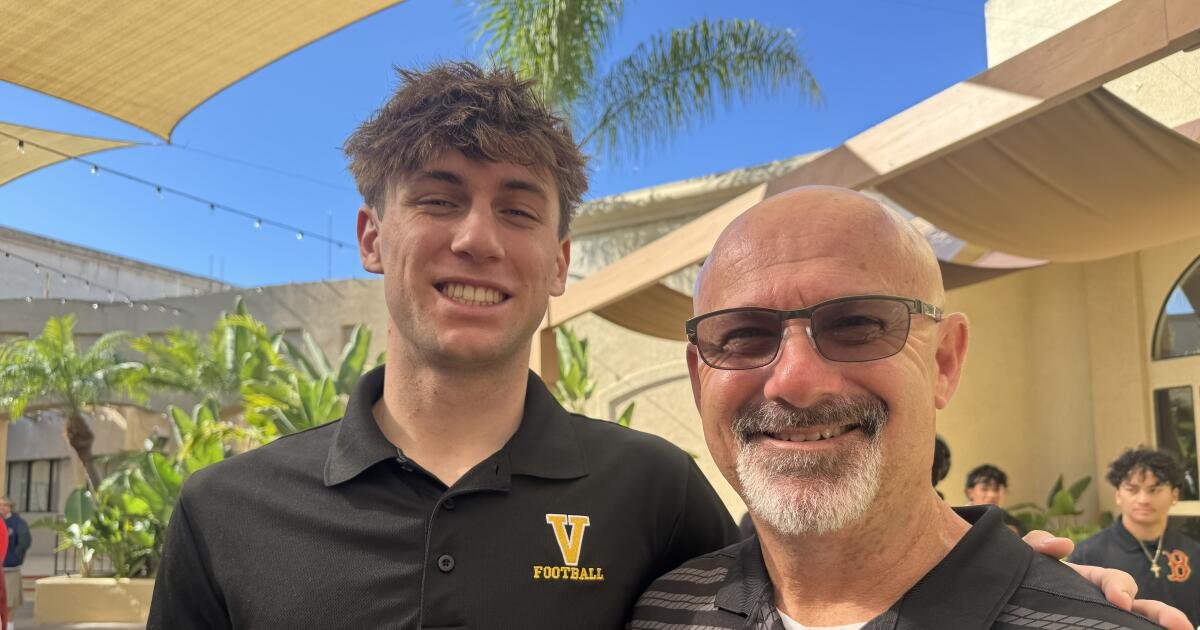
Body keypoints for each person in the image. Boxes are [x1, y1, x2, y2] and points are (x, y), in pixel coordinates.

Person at [147, 61, 740, 629]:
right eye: (438, 200)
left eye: (518, 211)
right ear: (372, 238)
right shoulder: (224, 511)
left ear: (559, 264)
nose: (478, 239)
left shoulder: (657, 492)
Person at [629, 186, 1190, 629]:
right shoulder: (663, 611)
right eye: (743, 335)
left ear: (944, 361)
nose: (797, 381)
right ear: (699, 379)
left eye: (856, 324)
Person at [1070, 448, 1200, 626]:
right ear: (1118, 495)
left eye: (1154, 490)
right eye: (1132, 490)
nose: (1143, 499)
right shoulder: (1087, 555)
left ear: (1174, 495)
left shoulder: (1194, 551)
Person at [965, 463, 1027, 535]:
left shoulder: (1014, 525)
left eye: (996, 489)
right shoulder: (959, 518)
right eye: (984, 489)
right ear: (970, 493)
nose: (992, 495)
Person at [1, 498, 28, 627]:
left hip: (11, 569)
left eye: (5, 505)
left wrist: (15, 556)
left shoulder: (18, 522)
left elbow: (25, 541)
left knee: (10, 601)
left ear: (10, 507)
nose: (2, 507)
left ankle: (9, 625)